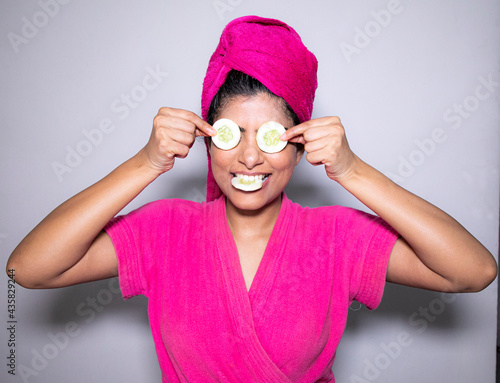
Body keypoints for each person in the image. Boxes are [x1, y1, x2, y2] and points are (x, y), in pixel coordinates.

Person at [6, 15, 497, 382]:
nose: (247, 157)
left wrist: (352, 169)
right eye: (230, 134)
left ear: (300, 146)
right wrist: (147, 162)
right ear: (206, 139)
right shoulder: (164, 230)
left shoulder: (336, 237)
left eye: (270, 138)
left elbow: (473, 272)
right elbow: (28, 269)